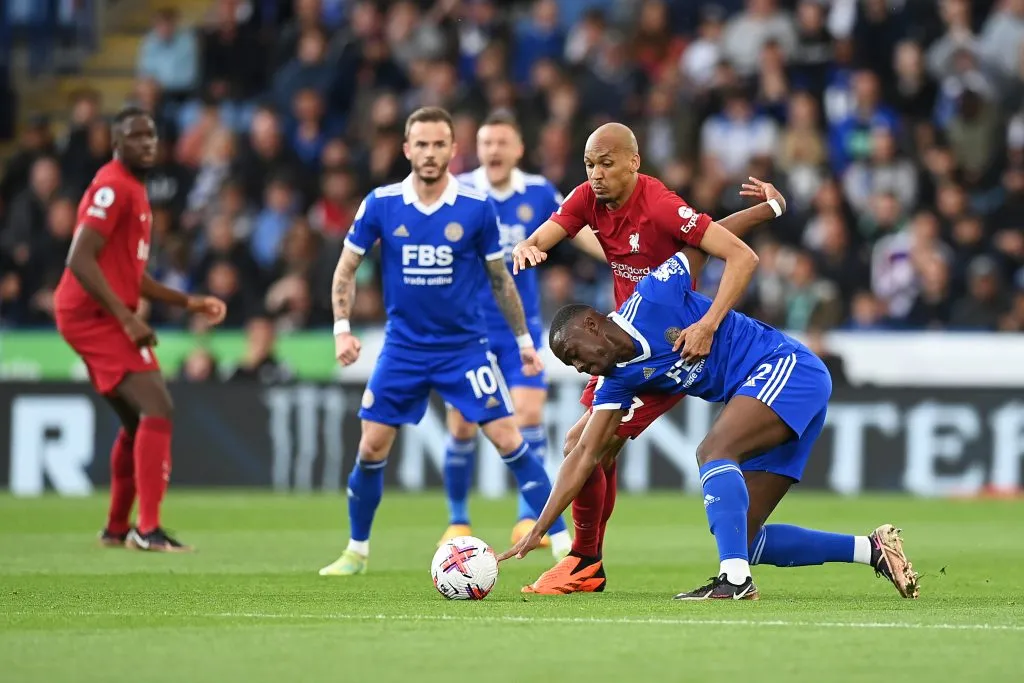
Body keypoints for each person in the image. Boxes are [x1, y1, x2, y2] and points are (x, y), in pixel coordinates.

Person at [498, 251, 920, 601]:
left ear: (592, 324)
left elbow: (703, 238)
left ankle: (734, 582)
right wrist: (541, 527)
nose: (578, 366)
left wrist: (768, 210)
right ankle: (872, 549)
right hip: (764, 396)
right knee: (746, 539)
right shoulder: (617, 379)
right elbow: (585, 453)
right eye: (570, 364)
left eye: (575, 353)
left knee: (714, 451)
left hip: (787, 368)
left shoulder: (652, 298)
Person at [508, 122, 784, 594]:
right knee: (592, 447)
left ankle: (584, 561)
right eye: (590, 164)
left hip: (660, 346)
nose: (596, 174)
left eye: (607, 163)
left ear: (634, 162)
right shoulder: (587, 198)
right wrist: (527, 246)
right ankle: (585, 561)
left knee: (584, 443)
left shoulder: (658, 203)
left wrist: (709, 321)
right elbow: (545, 236)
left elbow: (713, 247)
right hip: (620, 343)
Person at [318, 107, 571, 576]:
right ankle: (356, 550)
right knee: (371, 445)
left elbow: (500, 279)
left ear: (453, 151)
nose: (430, 153)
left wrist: (523, 341)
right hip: (403, 348)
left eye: (439, 145)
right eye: (422, 144)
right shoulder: (381, 203)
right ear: (407, 149)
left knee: (508, 436)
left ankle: (560, 543)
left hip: (463, 348)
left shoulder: (476, 208)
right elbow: (347, 268)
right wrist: (342, 328)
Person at [53, 107, 227, 552]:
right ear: (116, 142)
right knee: (158, 406)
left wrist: (189, 301)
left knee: (137, 420)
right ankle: (146, 530)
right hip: (91, 316)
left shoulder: (134, 189)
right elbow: (80, 258)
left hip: (97, 313)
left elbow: (129, 274)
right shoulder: (113, 186)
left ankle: (116, 529)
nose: (147, 143)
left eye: (151, 136)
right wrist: (127, 318)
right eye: (136, 136)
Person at [441, 110, 604, 554]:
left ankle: (526, 517)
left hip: (522, 328)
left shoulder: (537, 192)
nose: (493, 150)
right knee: (461, 424)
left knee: (529, 415)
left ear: (517, 150)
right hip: (468, 329)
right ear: (478, 148)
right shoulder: (460, 193)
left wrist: (614, 254)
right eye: (486, 142)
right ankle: (457, 520)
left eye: (501, 143)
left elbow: (575, 227)